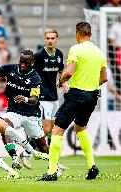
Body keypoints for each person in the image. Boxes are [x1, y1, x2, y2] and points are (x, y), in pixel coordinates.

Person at [39, 22, 108, 181]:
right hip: (92, 96)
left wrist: (60, 81)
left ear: (78, 34)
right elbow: (104, 78)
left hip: (76, 94)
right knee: (80, 129)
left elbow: (69, 72)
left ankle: (51, 172)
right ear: (90, 34)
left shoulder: (76, 49)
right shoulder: (99, 52)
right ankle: (92, 166)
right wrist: (90, 85)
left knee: (57, 131)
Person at [0, 50, 49, 170]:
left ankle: (53, 165)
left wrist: (25, 99)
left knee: (42, 146)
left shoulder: (35, 77)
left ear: (32, 63)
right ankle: (15, 159)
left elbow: (35, 100)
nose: (22, 64)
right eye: (21, 61)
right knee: (4, 128)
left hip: (31, 115)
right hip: (14, 112)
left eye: (26, 62)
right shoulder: (10, 69)